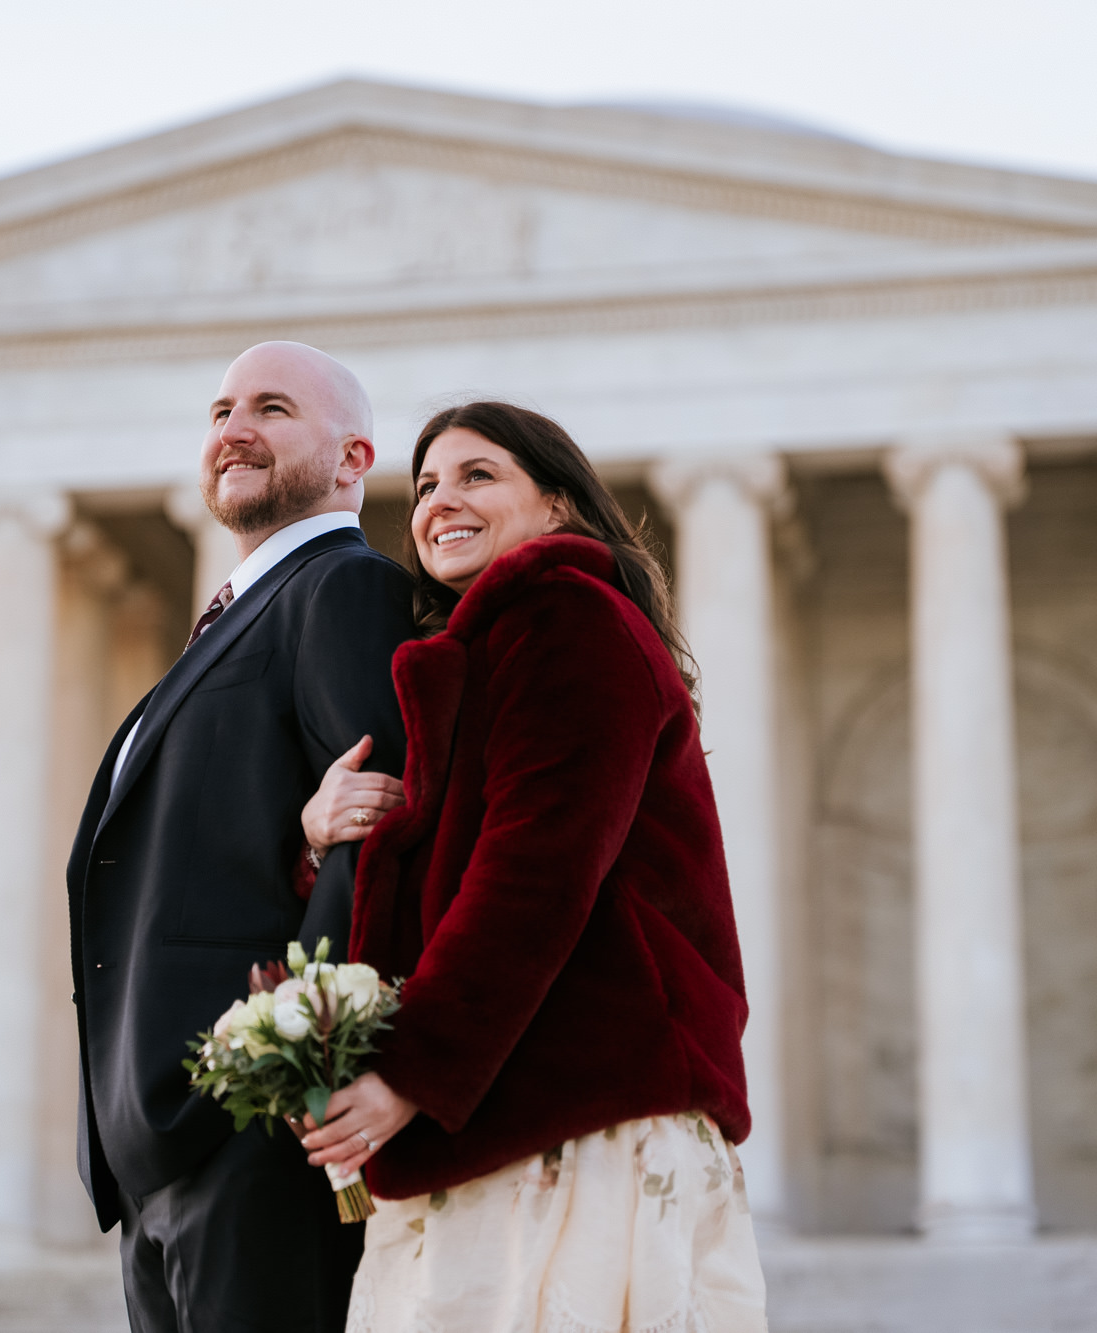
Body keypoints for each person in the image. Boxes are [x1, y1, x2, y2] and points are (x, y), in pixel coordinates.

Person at [298, 401, 768, 1332]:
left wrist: (413, 1069)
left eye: (480, 475)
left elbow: (537, 868)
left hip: (578, 1124)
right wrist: (322, 835)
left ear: (558, 505)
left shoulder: (569, 617)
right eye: (426, 484)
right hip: (513, 1116)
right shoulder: (491, 650)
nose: (440, 501)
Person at [68, 342, 418, 1333]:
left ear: (352, 459)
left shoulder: (343, 588)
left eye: (271, 408)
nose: (233, 429)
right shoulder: (225, 622)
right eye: (220, 410)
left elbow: (379, 828)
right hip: (163, 1146)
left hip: (255, 1129)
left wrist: (296, 1061)